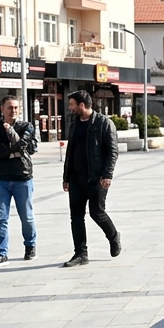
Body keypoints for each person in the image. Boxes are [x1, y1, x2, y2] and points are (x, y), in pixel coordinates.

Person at [61, 91, 121, 267]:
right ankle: (80, 254)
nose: (70, 108)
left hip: (96, 178)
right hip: (76, 179)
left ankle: (113, 236)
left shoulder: (103, 123)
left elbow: (112, 152)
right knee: (76, 216)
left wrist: (107, 175)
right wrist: (66, 177)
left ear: (81, 105)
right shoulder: (75, 124)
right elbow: (70, 152)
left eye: (72, 104)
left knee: (97, 213)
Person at [0, 96, 38, 268]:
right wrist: (8, 152)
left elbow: (25, 145)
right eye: (10, 108)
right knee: (0, 218)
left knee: (26, 217)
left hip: (22, 177)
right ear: (2, 109)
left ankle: (30, 245)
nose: (13, 111)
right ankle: (1, 253)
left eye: (16, 108)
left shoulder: (26, 126)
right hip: (0, 179)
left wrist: (8, 150)